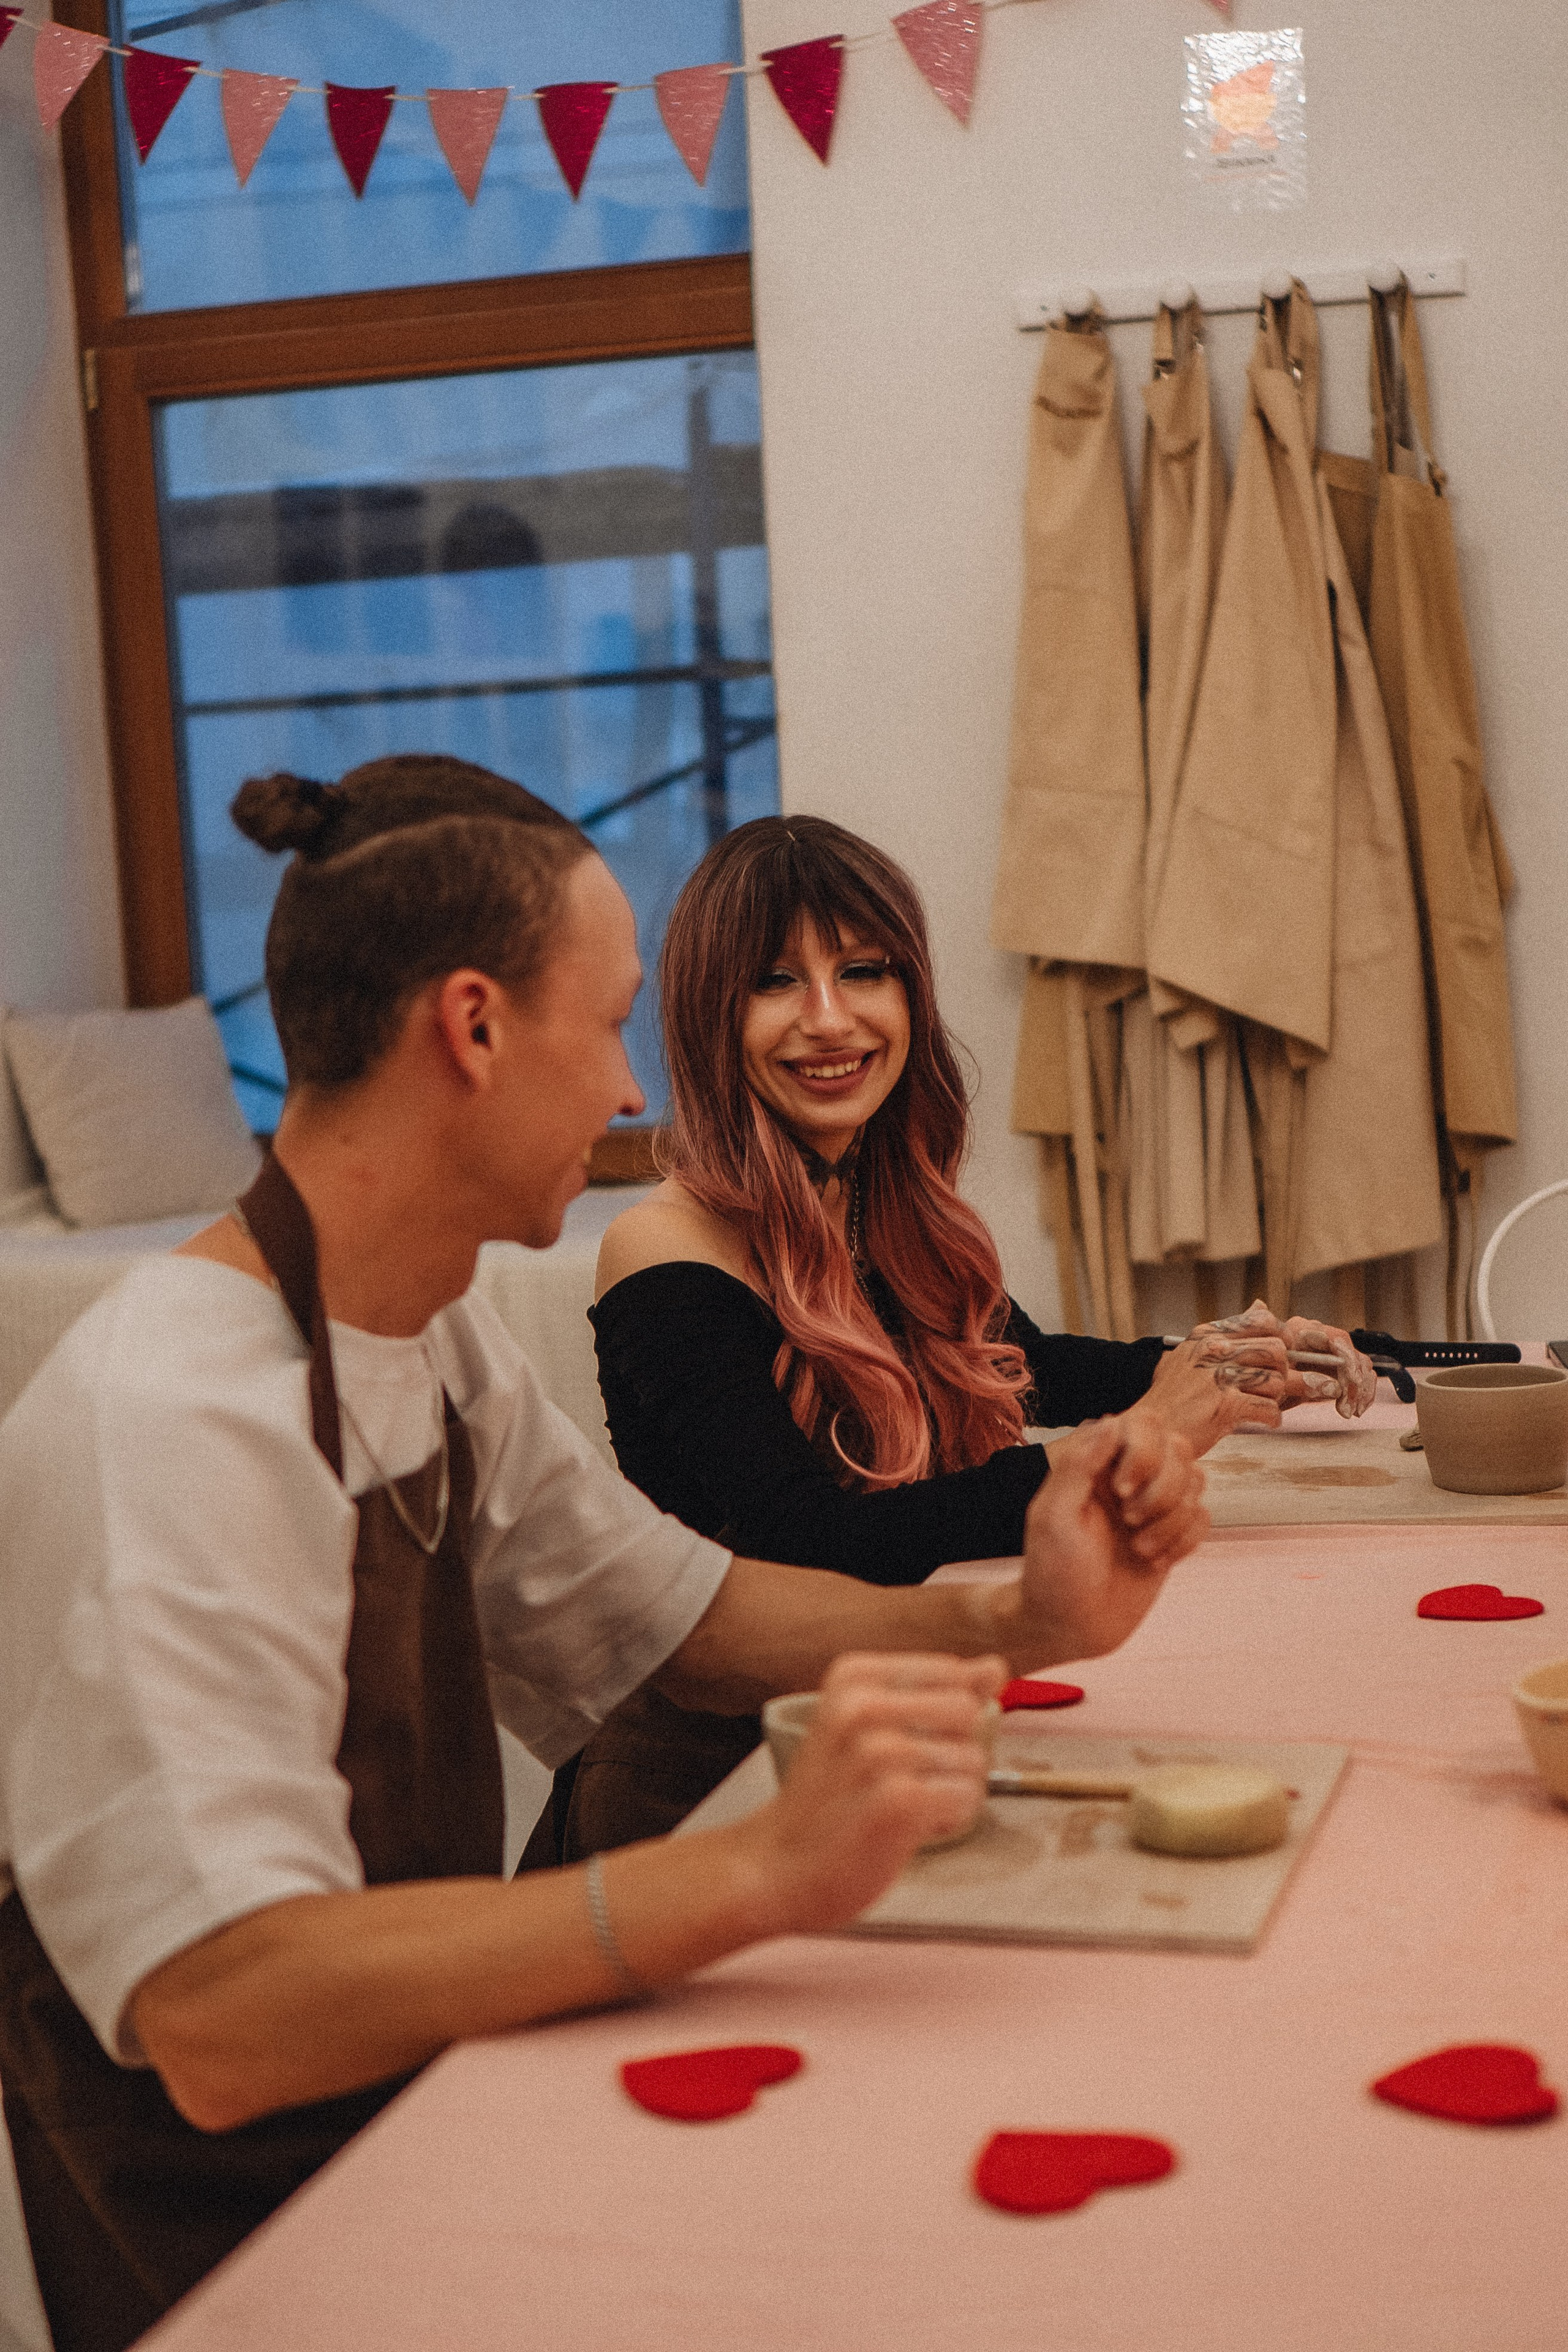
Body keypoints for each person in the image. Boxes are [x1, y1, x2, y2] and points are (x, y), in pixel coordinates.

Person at [0, 756, 1208, 2352]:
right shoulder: (173, 1415)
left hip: (425, 2101)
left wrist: (1018, 1619)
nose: (637, 1092)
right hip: (248, 2235)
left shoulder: (431, 1340)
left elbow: (682, 1614)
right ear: (477, 1029)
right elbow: (226, 2011)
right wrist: (752, 1874)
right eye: (615, 1021)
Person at [564, 815, 1374, 1853]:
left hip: (897, 1736)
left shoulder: (882, 1204)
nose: (829, 1018)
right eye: (776, 981)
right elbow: (808, 1544)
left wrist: (1221, 1364)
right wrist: (1131, 1444)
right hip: (715, 1787)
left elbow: (1026, 1370)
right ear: (709, 1016)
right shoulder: (662, 1249)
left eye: (863, 970)